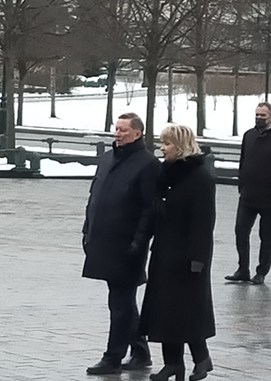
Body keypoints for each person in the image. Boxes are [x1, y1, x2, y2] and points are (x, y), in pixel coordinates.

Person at [82, 113, 160, 375]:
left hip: (127, 245)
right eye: (116, 129)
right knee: (123, 301)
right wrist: (87, 230)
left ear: (138, 133)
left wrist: (139, 241)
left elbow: (150, 209)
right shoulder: (107, 159)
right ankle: (140, 352)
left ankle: (113, 357)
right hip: (102, 241)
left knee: (120, 302)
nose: (118, 134)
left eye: (124, 130)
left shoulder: (147, 164)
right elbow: (94, 196)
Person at [140, 125, 216, 381]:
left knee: (187, 312)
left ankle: (201, 359)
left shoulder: (199, 178)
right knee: (165, 312)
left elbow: (203, 222)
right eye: (162, 143)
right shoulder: (166, 174)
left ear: (181, 146)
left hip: (187, 256)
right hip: (164, 252)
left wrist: (198, 259)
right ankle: (172, 363)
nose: (162, 148)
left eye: (167, 144)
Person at [225, 102, 271, 285]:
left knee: (267, 237)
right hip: (248, 195)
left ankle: (261, 271)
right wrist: (241, 185)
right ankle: (243, 269)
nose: (259, 118)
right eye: (257, 114)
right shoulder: (249, 136)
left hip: (270, 199)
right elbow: (243, 162)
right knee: (240, 231)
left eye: (263, 115)